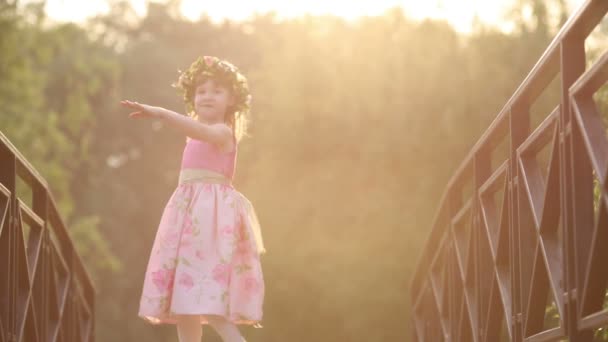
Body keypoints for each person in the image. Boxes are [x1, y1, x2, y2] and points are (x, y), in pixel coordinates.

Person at [121, 55, 266, 342]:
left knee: (207, 302)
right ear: (192, 97)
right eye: (201, 91)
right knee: (184, 304)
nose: (207, 96)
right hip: (188, 219)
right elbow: (193, 130)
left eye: (217, 91)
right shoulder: (194, 135)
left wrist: (161, 113)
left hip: (210, 223)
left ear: (231, 100)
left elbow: (198, 130)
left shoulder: (222, 132)